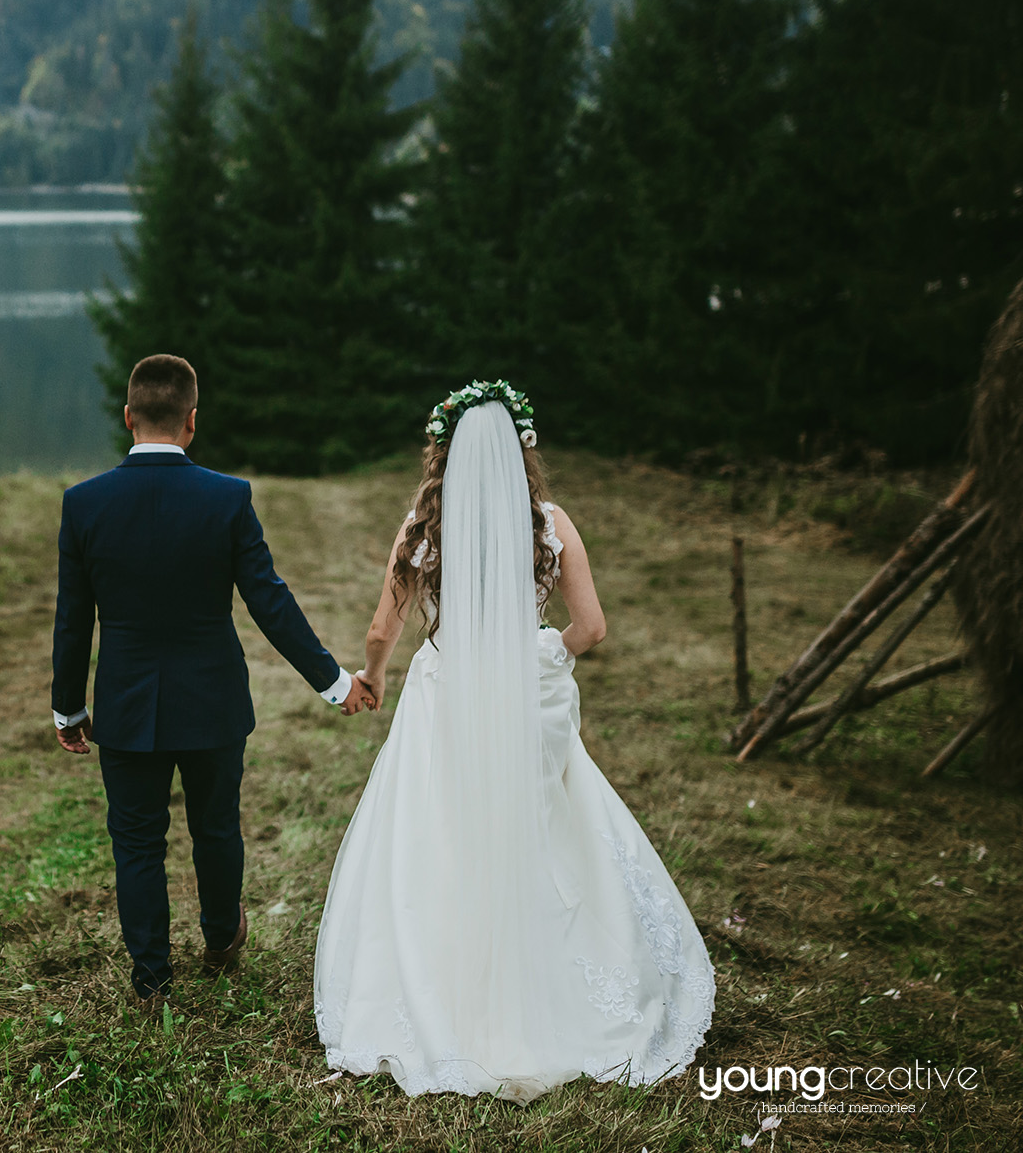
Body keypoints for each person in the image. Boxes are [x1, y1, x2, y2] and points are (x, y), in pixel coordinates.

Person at [312, 381, 714, 1102]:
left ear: (446, 451)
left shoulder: (422, 528)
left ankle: (443, 988)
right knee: (546, 832)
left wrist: (370, 678)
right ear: (524, 449)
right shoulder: (550, 523)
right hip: (530, 697)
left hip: (448, 696)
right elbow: (590, 628)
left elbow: (381, 631)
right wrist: (538, 652)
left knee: (439, 835)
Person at [50, 354, 369, 1000]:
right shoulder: (227, 497)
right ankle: (222, 939)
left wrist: (68, 708)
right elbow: (269, 602)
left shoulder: (85, 504)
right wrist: (333, 680)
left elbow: (73, 619)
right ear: (192, 421)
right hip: (212, 700)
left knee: (136, 840)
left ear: (128, 416)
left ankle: (152, 976)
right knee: (216, 825)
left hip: (128, 702)